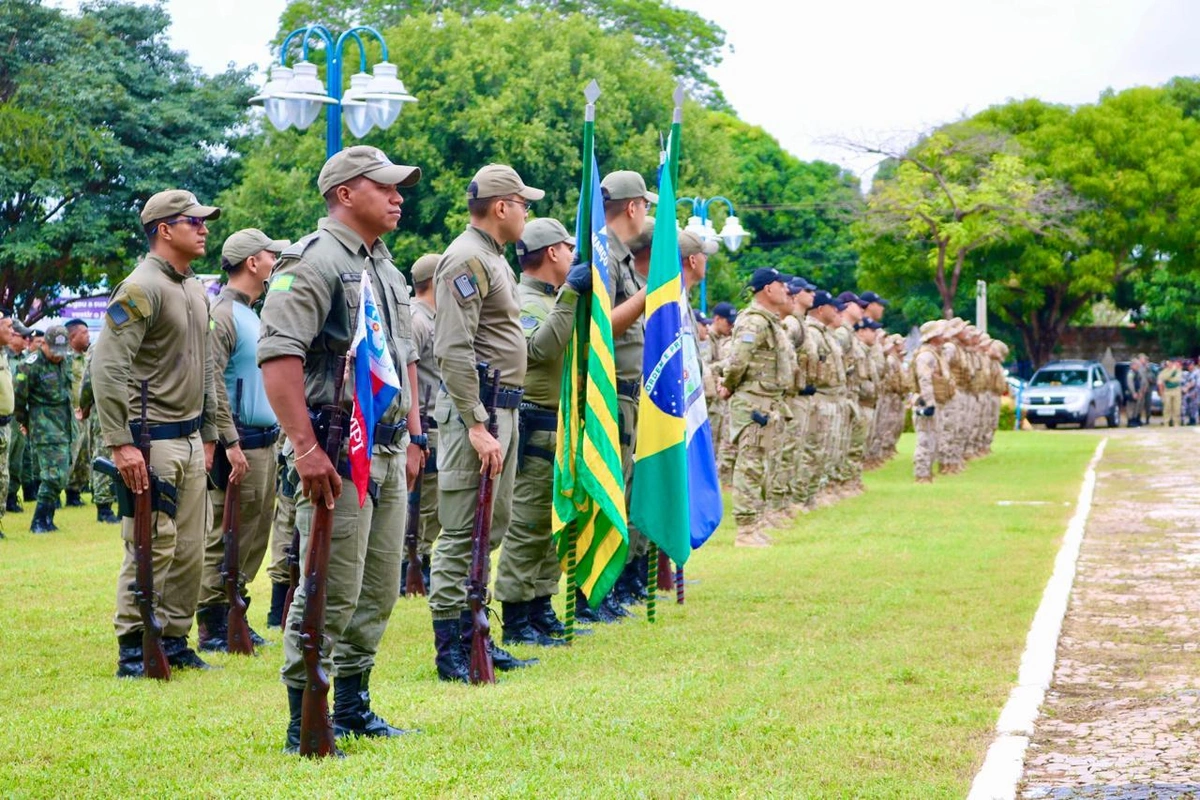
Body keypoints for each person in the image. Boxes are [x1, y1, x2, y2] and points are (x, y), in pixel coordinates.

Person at [258, 146, 425, 749]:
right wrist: (305, 449)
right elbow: (279, 356)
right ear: (346, 193)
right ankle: (303, 716)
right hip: (335, 448)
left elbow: (403, 359)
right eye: (385, 187)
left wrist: (414, 435)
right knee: (330, 586)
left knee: (377, 586)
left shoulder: (384, 265)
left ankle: (352, 704)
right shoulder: (313, 260)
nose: (398, 197)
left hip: (386, 447)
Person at [91, 189, 225, 677]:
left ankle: (173, 638)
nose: (204, 229)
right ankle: (133, 646)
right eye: (194, 221)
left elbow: (206, 368)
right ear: (164, 229)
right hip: (152, 439)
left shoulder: (194, 290)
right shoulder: (139, 288)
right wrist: (120, 442)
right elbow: (108, 367)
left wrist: (209, 432)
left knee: (190, 547)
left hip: (189, 438)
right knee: (152, 542)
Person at [428, 163, 541, 681]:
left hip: (502, 407)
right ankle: (451, 648)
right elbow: (452, 347)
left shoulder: (492, 258)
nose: (526, 213)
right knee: (461, 529)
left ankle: (475, 633)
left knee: (489, 525)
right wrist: (476, 422)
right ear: (501, 207)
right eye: (523, 204)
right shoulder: (468, 258)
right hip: (478, 410)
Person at [195, 228, 288, 652]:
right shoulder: (224, 313)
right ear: (252, 262)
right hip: (240, 443)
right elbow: (211, 380)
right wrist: (228, 441)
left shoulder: (252, 312)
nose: (275, 263)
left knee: (253, 533)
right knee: (226, 533)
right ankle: (213, 623)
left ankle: (236, 610)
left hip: (262, 442)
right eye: (271, 256)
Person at [498, 217, 587, 647]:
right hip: (536, 425)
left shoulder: (553, 299)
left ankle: (539, 605)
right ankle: (516, 617)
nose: (574, 255)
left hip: (560, 425)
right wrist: (570, 295)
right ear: (552, 252)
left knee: (555, 522)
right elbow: (540, 350)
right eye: (569, 249)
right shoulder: (522, 301)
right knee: (528, 524)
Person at [720, 268, 793, 546]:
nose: (786, 289)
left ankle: (756, 523)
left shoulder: (770, 321)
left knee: (761, 464)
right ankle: (746, 530)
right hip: (753, 401)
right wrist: (728, 385)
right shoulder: (754, 321)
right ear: (768, 289)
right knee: (750, 464)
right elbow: (738, 360)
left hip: (767, 401)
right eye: (781, 284)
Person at [401, 252, 441, 595]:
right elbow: (404, 372)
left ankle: (420, 563)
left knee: (431, 504)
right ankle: (409, 567)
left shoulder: (433, 319)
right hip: (422, 422)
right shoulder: (417, 320)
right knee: (418, 503)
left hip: (435, 422)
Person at [15, 325, 76, 533]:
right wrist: (26, 423)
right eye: (54, 351)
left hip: (65, 426)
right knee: (52, 476)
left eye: (62, 351)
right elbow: (18, 400)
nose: (58, 356)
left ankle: (48, 519)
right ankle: (39, 521)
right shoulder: (30, 366)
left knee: (62, 475)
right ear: (44, 344)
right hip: (44, 428)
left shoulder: (66, 361)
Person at [912, 320, 955, 483]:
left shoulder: (936, 354)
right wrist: (929, 403)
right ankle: (922, 475)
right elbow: (925, 380)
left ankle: (927, 473)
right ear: (933, 337)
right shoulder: (926, 356)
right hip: (927, 402)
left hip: (938, 401)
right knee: (925, 440)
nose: (944, 336)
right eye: (940, 333)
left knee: (934, 440)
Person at [707, 301, 736, 483]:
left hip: (719, 400)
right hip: (709, 401)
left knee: (719, 444)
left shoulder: (722, 340)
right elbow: (705, 368)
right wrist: (726, 365)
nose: (730, 326)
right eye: (728, 322)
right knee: (710, 443)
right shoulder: (706, 339)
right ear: (717, 319)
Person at [64, 319, 91, 508]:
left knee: (83, 456)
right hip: (70, 415)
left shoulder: (87, 358)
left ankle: (74, 492)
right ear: (72, 336)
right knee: (69, 456)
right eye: (84, 332)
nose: (88, 336)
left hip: (84, 415)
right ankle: (54, 493)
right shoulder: (65, 359)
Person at [0, 312, 14, 536]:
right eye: (8, 326)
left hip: (5, 425)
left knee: (3, 476)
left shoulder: (3, 354)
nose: (12, 331)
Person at [1158, 358, 1183, 427]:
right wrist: (1171, 373)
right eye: (1168, 363)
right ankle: (1166, 422)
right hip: (1167, 390)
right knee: (1167, 407)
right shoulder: (1163, 372)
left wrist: (1171, 374)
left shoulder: (1178, 370)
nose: (1170, 365)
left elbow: (1178, 379)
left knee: (1176, 407)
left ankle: (1176, 422)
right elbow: (1163, 378)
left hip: (1176, 390)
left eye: (1171, 363)